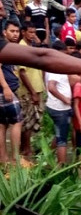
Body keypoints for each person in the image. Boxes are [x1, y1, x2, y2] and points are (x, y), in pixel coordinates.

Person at [17, 22, 44, 157]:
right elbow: (22, 73)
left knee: (32, 120)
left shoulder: (30, 46)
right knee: (29, 120)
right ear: (24, 32)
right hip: (29, 90)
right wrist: (33, 92)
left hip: (36, 87)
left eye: (34, 32)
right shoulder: (22, 48)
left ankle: (24, 148)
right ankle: (26, 150)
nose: (33, 35)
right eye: (31, 32)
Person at [0, 21, 23, 162]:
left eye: (17, 31)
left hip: (5, 90)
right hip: (5, 91)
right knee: (17, 122)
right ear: (4, 32)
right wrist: (6, 87)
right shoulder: (3, 47)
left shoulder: (8, 48)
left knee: (2, 125)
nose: (15, 34)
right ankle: (15, 159)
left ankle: (3, 159)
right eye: (12, 31)